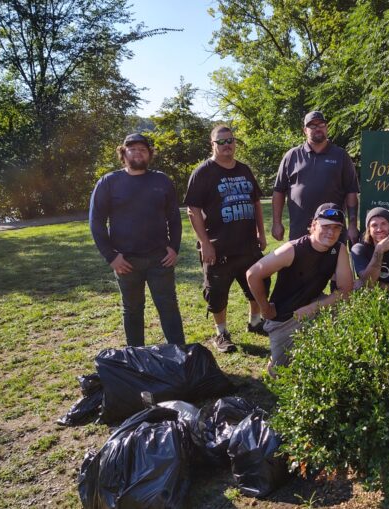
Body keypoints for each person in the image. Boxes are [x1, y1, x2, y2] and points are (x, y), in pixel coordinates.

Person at [89, 133, 185, 347]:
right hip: (126, 262)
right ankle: (136, 357)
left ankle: (180, 355)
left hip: (160, 259)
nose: (138, 152)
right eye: (132, 149)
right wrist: (111, 256)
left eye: (143, 149)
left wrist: (174, 247)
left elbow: (174, 218)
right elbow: (96, 222)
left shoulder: (162, 180)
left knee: (168, 306)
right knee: (132, 310)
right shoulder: (109, 182)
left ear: (149, 154)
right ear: (124, 153)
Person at [184, 125, 269, 353]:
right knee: (217, 294)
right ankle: (221, 333)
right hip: (218, 248)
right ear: (212, 145)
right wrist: (205, 244)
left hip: (248, 245)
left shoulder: (244, 170)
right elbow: (192, 210)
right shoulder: (203, 172)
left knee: (257, 286)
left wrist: (261, 233)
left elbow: (256, 203)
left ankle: (255, 322)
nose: (226, 145)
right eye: (220, 142)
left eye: (230, 140)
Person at [247, 203, 354, 373]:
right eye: (325, 226)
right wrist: (265, 308)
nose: (331, 232)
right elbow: (253, 274)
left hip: (313, 305)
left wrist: (312, 308)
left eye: (336, 228)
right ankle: (277, 359)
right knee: (280, 373)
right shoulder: (292, 249)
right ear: (313, 225)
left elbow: (346, 291)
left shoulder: (339, 249)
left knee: (346, 312)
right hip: (285, 317)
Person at [272, 111, 360, 244]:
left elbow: (351, 191)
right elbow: (278, 191)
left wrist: (352, 225)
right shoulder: (292, 156)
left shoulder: (341, 155)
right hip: (299, 231)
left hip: (333, 230)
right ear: (305, 130)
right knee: (300, 264)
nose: (318, 128)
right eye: (312, 126)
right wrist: (276, 223)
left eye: (321, 124)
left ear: (327, 127)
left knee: (334, 264)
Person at [351, 207, 389, 289]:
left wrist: (376, 285)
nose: (379, 229)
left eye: (383, 224)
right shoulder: (359, 249)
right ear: (369, 229)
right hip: (367, 299)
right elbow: (369, 281)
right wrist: (379, 251)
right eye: (374, 225)